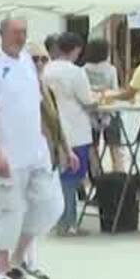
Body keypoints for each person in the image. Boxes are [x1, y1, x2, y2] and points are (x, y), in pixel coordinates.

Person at [0, 19, 72, 279]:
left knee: (49, 206)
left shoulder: (28, 64)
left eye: (24, 33)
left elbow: (37, 109)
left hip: (36, 152)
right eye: (15, 32)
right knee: (9, 210)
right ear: (2, 34)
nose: (20, 37)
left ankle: (18, 259)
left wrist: (54, 145)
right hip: (8, 154)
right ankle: (3, 269)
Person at [42, 33, 98, 237]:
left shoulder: (45, 70)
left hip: (52, 129)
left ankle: (59, 220)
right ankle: (70, 222)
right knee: (72, 178)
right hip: (76, 129)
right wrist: (99, 101)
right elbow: (87, 100)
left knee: (58, 176)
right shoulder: (76, 72)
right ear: (76, 49)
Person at [82, 37, 125, 173]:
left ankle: (96, 173)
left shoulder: (83, 70)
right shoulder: (111, 69)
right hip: (110, 111)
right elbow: (115, 90)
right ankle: (119, 171)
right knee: (115, 146)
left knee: (92, 146)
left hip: (90, 112)